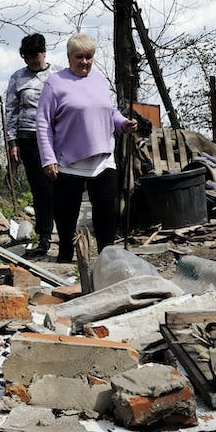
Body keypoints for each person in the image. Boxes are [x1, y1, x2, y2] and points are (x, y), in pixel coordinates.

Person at [36, 33, 137, 262]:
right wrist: (48, 159)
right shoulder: (55, 83)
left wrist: (123, 123)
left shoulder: (100, 80)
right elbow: (43, 123)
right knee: (66, 214)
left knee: (107, 212)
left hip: (103, 158)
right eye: (79, 57)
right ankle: (65, 255)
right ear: (69, 56)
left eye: (89, 57)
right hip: (69, 159)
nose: (84, 62)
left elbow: (110, 112)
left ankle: (107, 257)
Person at [4, 33, 55, 257]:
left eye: (34, 56)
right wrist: (13, 142)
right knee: (40, 189)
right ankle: (44, 237)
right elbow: (11, 111)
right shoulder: (17, 77)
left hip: (55, 137)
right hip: (28, 138)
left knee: (59, 187)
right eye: (26, 57)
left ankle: (66, 233)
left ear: (43, 53)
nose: (31, 61)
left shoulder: (58, 75)